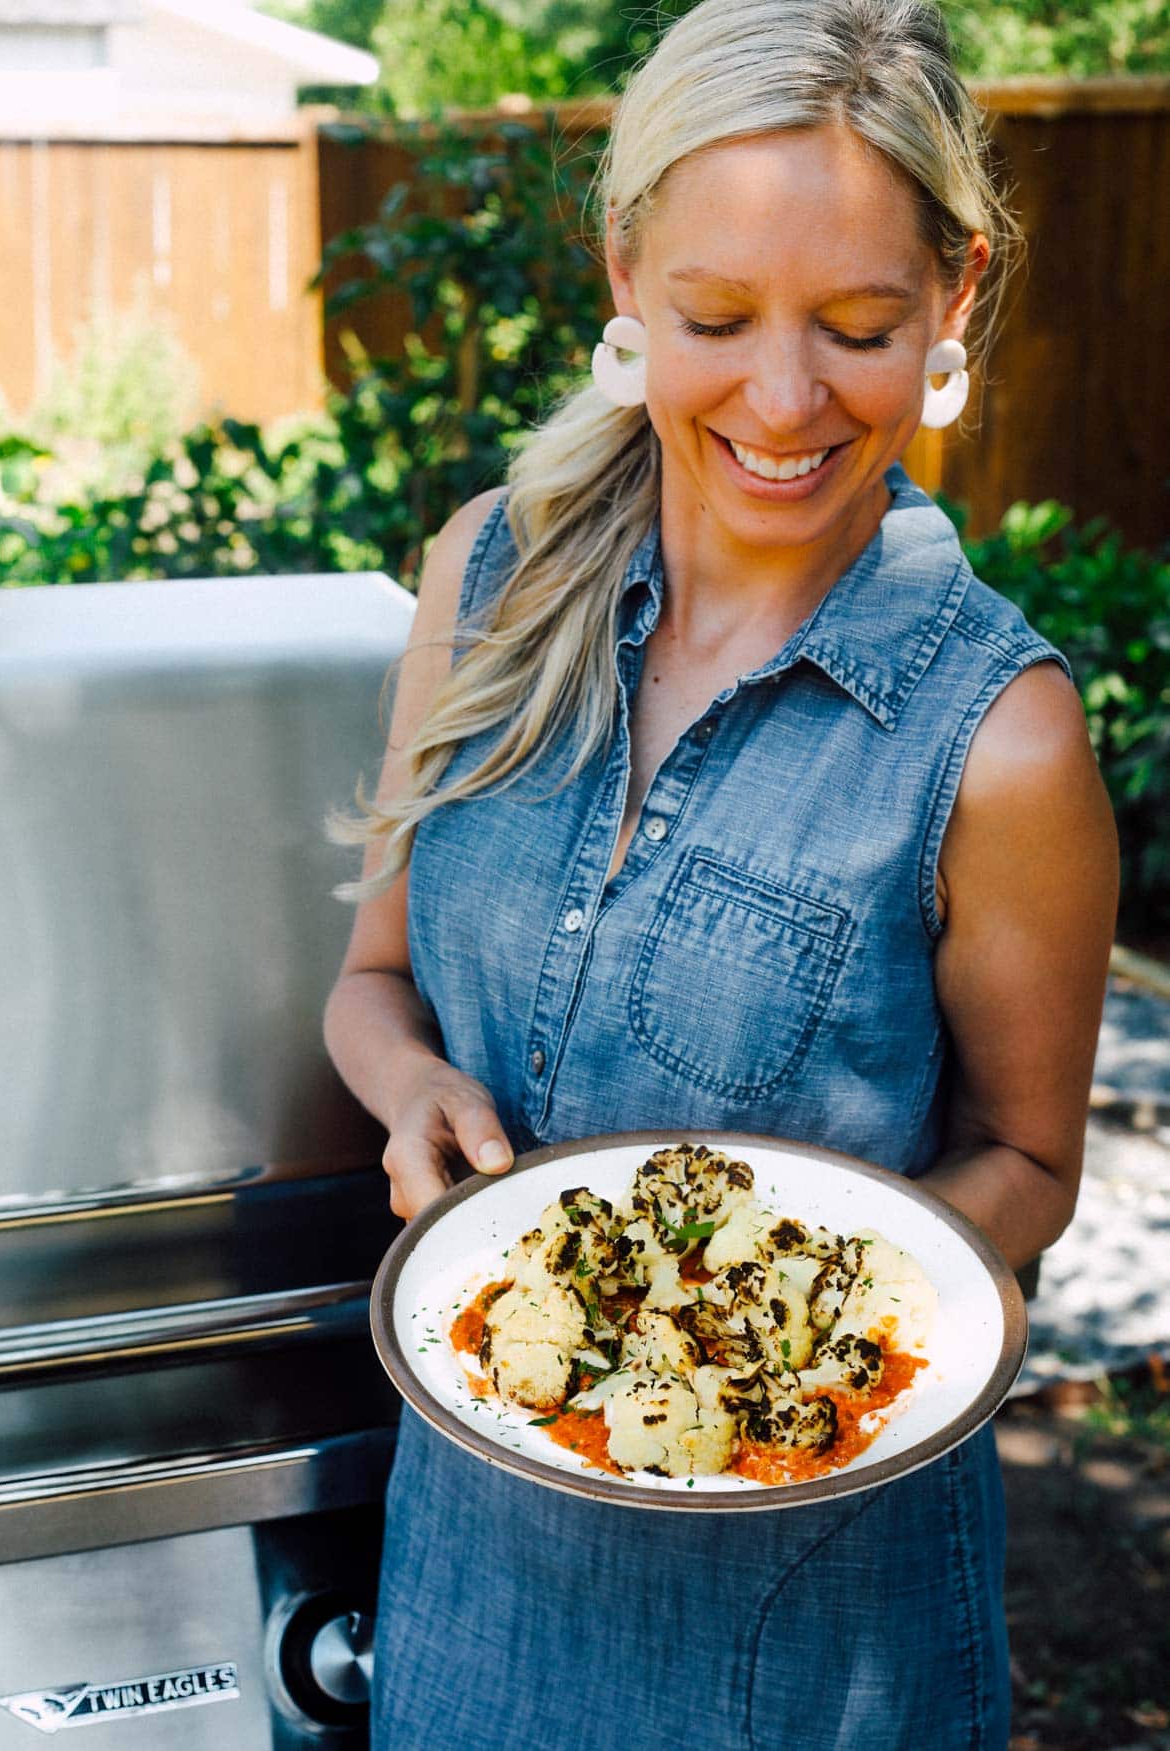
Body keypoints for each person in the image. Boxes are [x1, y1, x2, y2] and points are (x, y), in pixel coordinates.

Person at [324, 0, 1119, 1742]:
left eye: (857, 329)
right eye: (714, 318)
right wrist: (413, 1095)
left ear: (956, 297)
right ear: (625, 272)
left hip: (809, 1646)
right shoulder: (486, 582)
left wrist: (791, 1322)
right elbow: (372, 981)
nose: (782, 401)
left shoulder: (1001, 739)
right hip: (467, 1595)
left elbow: (1033, 1162)